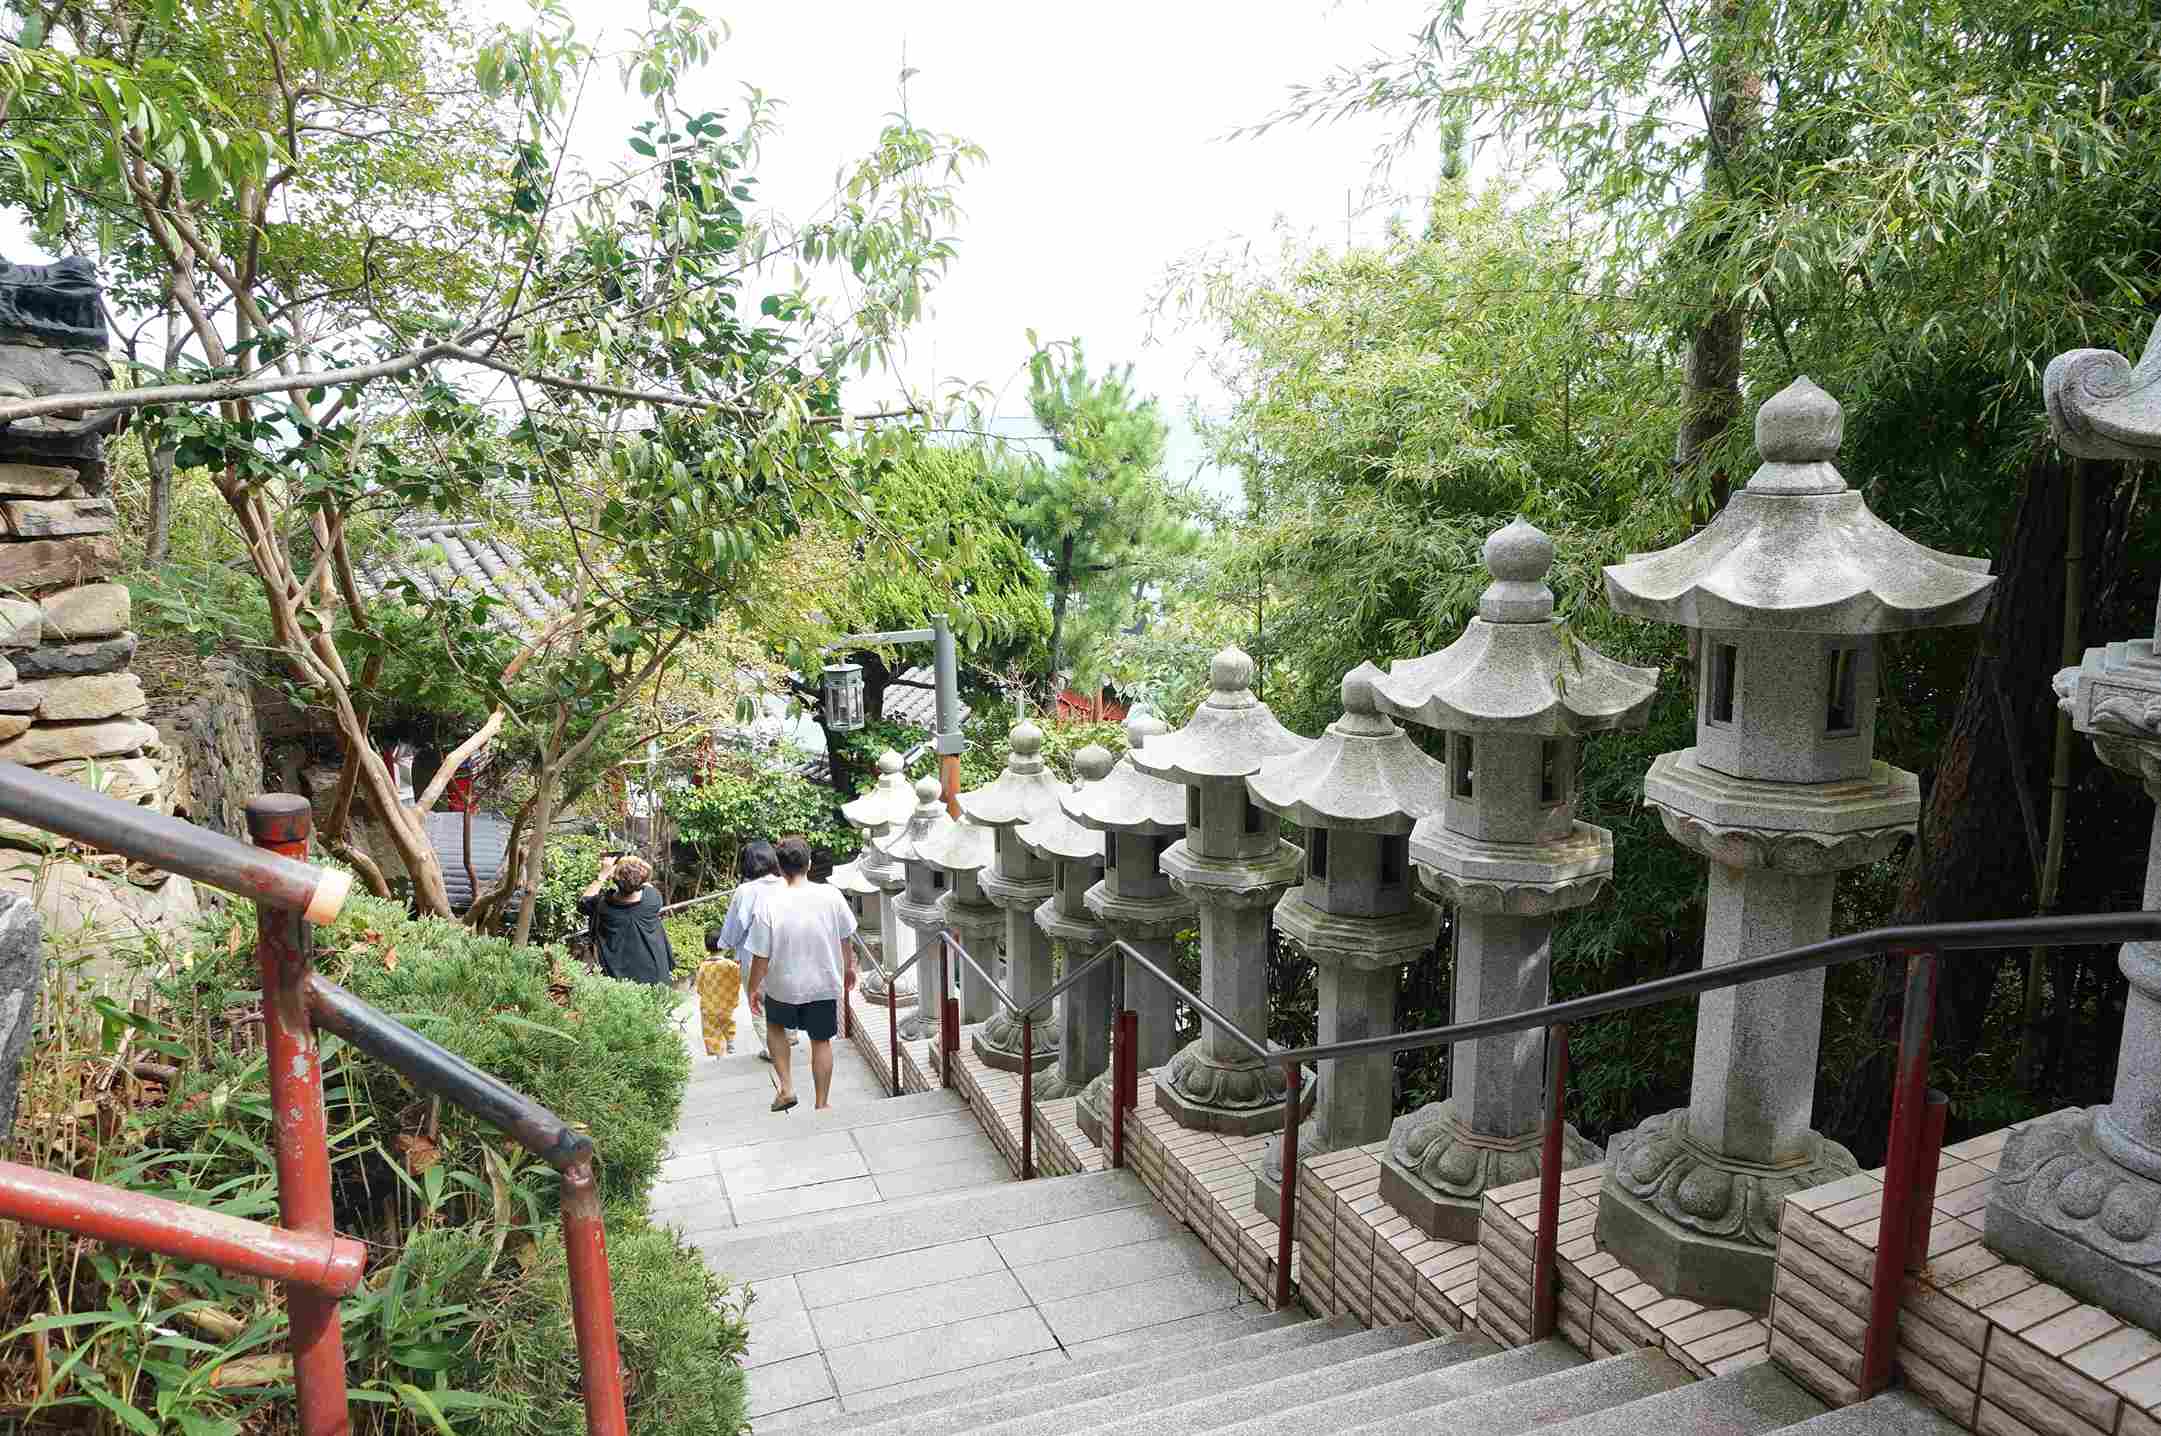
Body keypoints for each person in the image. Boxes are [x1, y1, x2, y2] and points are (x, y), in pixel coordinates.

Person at [745, 836, 857, 1112]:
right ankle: (822, 1103)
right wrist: (849, 967)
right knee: (821, 1041)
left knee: (775, 1028)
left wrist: (753, 987)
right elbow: (845, 937)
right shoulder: (831, 895)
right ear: (809, 863)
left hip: (782, 985)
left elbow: (761, 955)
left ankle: (787, 1088)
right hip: (822, 982)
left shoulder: (769, 904)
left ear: (780, 869)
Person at [697, 841, 784, 1057]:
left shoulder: (745, 891)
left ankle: (771, 1048)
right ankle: (788, 1036)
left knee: (759, 1003)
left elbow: (732, 931)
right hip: (786, 952)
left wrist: (724, 945)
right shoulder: (786, 884)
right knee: (784, 996)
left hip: (753, 957)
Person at [577, 854, 671, 986]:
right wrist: (633, 871)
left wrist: (602, 874)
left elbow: (582, 903)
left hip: (622, 981)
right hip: (655, 974)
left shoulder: (603, 906)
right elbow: (643, 884)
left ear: (615, 878)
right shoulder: (653, 898)